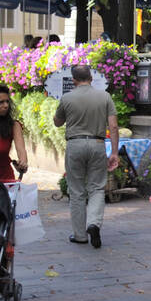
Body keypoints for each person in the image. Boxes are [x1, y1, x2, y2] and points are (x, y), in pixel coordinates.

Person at [53, 64, 118, 248]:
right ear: (91, 77)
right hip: (97, 143)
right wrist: (113, 152)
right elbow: (113, 126)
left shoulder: (67, 98)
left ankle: (80, 235)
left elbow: (57, 122)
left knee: (76, 191)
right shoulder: (104, 96)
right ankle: (94, 223)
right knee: (97, 188)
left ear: (73, 80)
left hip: (75, 144)